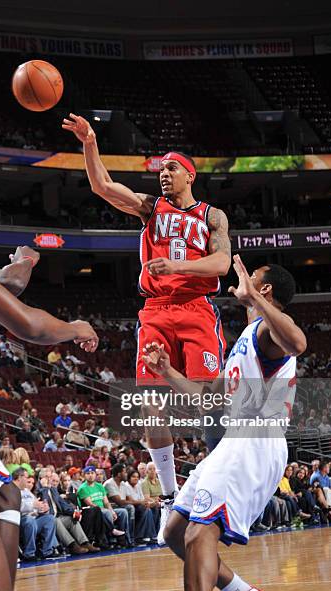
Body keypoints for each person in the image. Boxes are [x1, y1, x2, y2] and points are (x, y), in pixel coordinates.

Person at [63, 113, 231, 543]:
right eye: (160, 170)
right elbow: (102, 186)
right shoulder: (148, 208)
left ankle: (218, 490)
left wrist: (176, 264)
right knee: (150, 406)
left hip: (196, 308)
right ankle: (173, 496)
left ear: (189, 174)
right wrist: (90, 142)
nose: (163, 175)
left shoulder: (212, 216)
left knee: (210, 402)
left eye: (171, 168)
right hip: (156, 310)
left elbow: (221, 264)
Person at [142, 255, 306, 591]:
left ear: (264, 289)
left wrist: (255, 300)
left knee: (200, 533)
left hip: (256, 438)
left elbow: (298, 343)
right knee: (174, 533)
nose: (237, 282)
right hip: (236, 440)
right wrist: (168, 371)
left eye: (249, 277)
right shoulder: (248, 337)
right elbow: (208, 402)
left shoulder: (270, 332)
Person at [0, 235, 99, 591]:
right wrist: (75, 326)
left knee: (6, 497)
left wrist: (25, 262)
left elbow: (6, 279)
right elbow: (30, 326)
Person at [13, 468, 58, 562]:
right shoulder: (12, 490)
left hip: (33, 517)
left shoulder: (26, 491)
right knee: (30, 520)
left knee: (49, 518)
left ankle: (47, 551)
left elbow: (36, 504)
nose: (27, 480)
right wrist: (33, 505)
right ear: (19, 477)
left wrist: (42, 508)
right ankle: (29, 553)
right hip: (20, 519)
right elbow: (15, 507)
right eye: (26, 478)